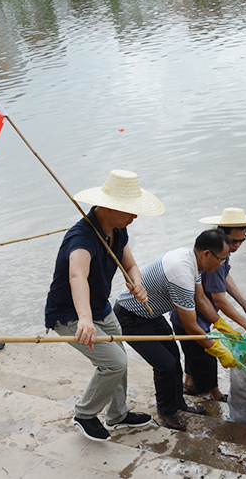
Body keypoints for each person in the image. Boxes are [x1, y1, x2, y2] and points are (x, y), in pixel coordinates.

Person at [44, 170, 163, 442]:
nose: (135, 217)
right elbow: (77, 276)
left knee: (119, 360)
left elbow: (130, 265)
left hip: (101, 309)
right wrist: (84, 319)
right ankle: (85, 415)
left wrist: (137, 283)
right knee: (114, 363)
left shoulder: (117, 231)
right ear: (109, 207)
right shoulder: (82, 238)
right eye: (130, 211)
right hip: (70, 314)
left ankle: (117, 415)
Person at [113, 229, 239, 431]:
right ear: (206, 254)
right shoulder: (181, 274)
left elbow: (201, 299)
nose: (222, 265)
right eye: (221, 259)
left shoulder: (192, 261)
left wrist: (222, 326)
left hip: (151, 314)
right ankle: (167, 411)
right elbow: (190, 327)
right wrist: (219, 351)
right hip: (131, 317)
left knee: (174, 358)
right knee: (165, 365)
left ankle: (178, 404)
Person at [171, 207, 246, 401]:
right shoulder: (214, 256)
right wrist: (245, 324)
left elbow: (225, 276)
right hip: (193, 316)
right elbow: (219, 299)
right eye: (234, 241)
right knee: (205, 357)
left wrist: (243, 302)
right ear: (221, 235)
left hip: (197, 315)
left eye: (243, 240)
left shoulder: (222, 253)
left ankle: (188, 385)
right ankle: (215, 394)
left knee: (193, 353)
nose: (238, 245)